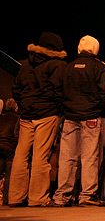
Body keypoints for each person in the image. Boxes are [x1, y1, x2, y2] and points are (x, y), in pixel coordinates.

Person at [53, 35, 105, 207]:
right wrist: (100, 111)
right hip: (91, 117)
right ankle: (87, 195)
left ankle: (62, 195)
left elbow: (58, 91)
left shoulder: (68, 67)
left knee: (67, 157)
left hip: (70, 116)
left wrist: (64, 109)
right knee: (89, 157)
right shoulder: (99, 67)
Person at [9, 32, 67, 207]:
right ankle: (37, 198)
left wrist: (24, 104)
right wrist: (59, 109)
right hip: (47, 113)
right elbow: (59, 90)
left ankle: (15, 197)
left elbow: (16, 88)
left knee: (21, 155)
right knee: (41, 156)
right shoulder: (58, 64)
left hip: (27, 115)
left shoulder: (25, 64)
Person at [0, 99, 19, 205]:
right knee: (9, 176)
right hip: (10, 149)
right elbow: (16, 134)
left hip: (0, 148)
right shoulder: (17, 119)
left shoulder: (1, 118)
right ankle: (7, 200)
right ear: (15, 108)